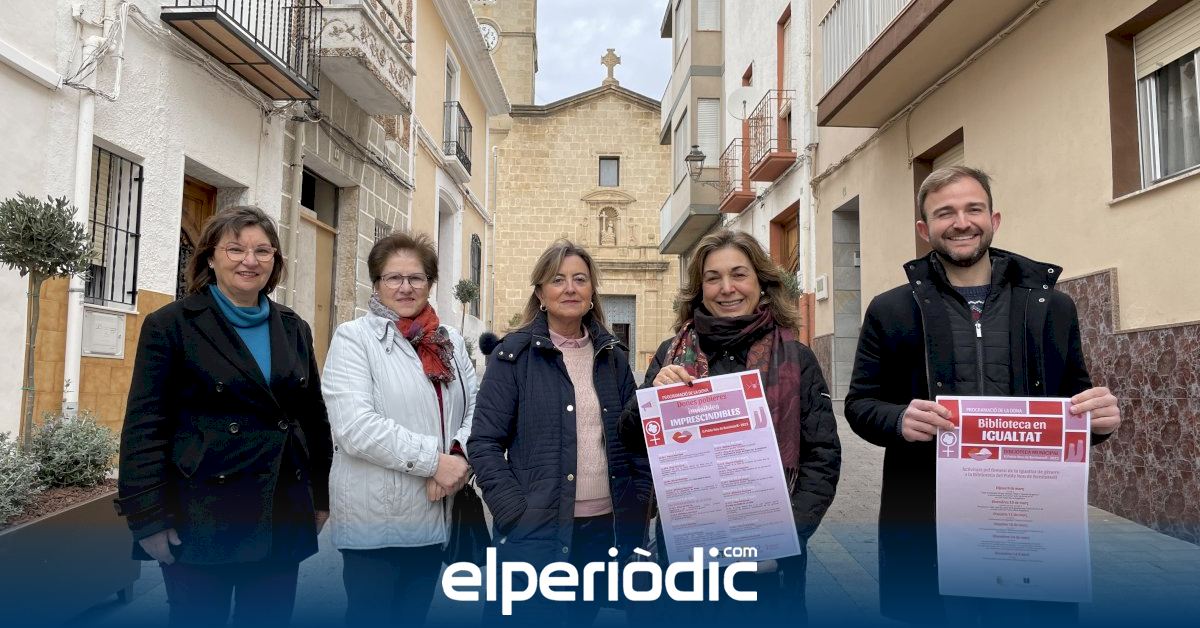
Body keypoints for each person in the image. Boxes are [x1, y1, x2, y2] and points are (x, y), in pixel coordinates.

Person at [844, 166, 1122, 624]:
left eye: (973, 209)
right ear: (924, 229)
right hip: (927, 514)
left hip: (1029, 517)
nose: (961, 222)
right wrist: (898, 420)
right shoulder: (891, 309)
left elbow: (1074, 402)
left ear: (994, 219)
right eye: (945, 213)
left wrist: (1098, 421)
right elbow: (859, 405)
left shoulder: (1051, 307)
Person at [116, 206, 332, 628]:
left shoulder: (294, 327)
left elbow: (313, 417)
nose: (250, 261)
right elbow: (145, 427)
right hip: (200, 515)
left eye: (262, 251)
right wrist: (147, 520)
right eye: (235, 249)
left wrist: (319, 496)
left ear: (274, 261)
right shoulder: (171, 325)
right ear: (210, 258)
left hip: (281, 509)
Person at [617, 228, 841, 621]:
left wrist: (788, 532)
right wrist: (652, 395)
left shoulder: (796, 358)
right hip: (687, 554)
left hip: (771, 563)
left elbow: (822, 456)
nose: (727, 288)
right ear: (699, 290)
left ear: (761, 282)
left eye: (739, 274)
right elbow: (631, 439)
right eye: (713, 277)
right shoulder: (672, 355)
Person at [469, 239, 650, 625]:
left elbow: (635, 439)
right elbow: (484, 443)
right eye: (557, 279)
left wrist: (640, 501)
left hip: (604, 531)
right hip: (536, 531)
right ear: (540, 293)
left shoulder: (613, 359)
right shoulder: (512, 357)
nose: (570, 288)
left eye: (580, 279)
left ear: (591, 291)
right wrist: (513, 511)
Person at [319, 231, 474, 628]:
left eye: (416, 277)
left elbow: (476, 407)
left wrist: (459, 456)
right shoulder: (354, 339)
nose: (406, 287)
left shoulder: (449, 342)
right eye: (393, 278)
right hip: (376, 525)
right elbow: (355, 426)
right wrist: (434, 462)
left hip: (435, 517)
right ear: (377, 284)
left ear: (430, 283)